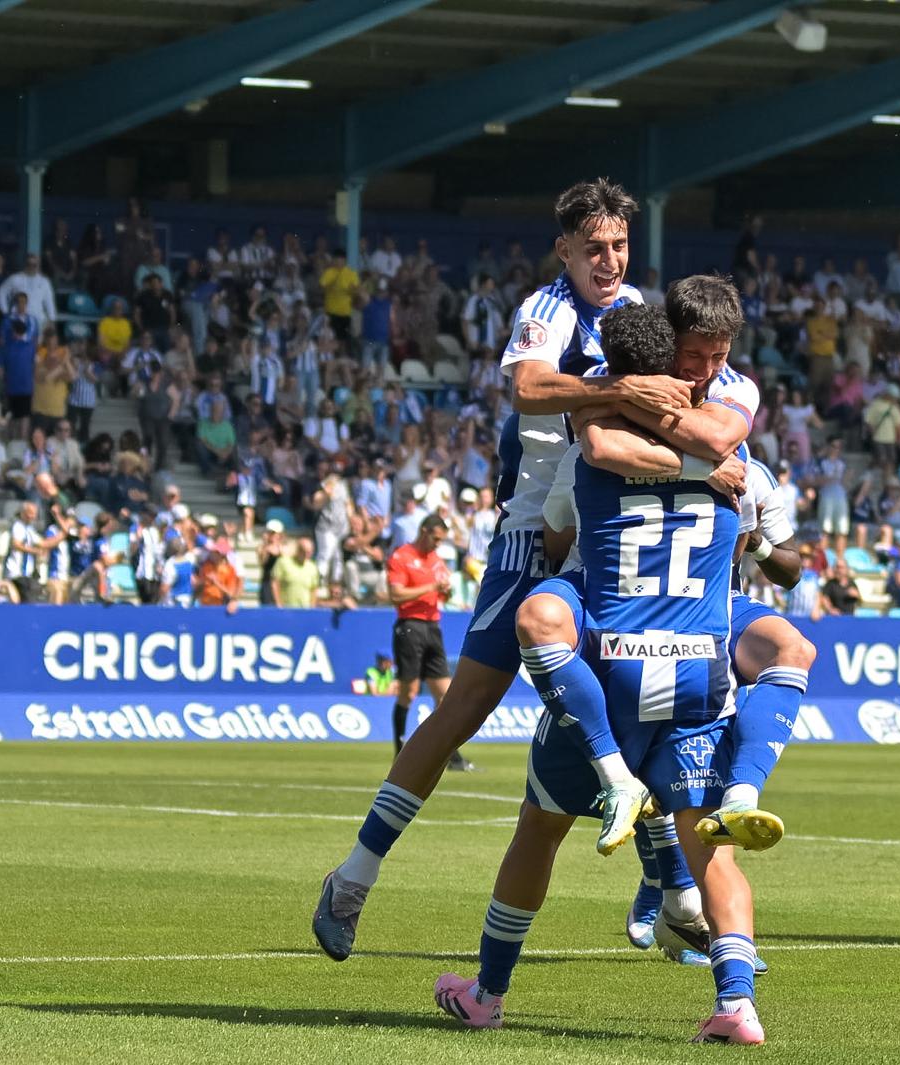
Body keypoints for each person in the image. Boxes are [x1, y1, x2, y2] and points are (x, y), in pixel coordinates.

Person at [310, 179, 693, 961]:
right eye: (594, 248)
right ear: (565, 250)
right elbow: (523, 388)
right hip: (534, 535)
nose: (609, 260)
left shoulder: (641, 309)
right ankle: (352, 878)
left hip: (615, 539)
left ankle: (674, 893)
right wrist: (619, 387)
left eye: (619, 245)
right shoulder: (546, 310)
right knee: (462, 712)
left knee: (644, 708)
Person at [433, 301, 765, 1045]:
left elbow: (556, 535)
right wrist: (709, 469)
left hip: (612, 667)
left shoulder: (592, 442)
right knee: (710, 846)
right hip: (697, 677)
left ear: (613, 371)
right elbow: (755, 540)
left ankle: (486, 992)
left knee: (538, 829)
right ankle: (738, 1002)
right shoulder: (741, 463)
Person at [382, 514, 458, 757]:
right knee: (409, 692)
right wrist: (432, 587)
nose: (437, 544)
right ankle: (400, 749)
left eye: (441, 541)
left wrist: (446, 590)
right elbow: (396, 595)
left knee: (446, 696)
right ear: (424, 531)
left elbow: (444, 595)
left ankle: (448, 753)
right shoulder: (401, 556)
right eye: (435, 539)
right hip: (410, 626)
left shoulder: (436, 560)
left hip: (433, 626)